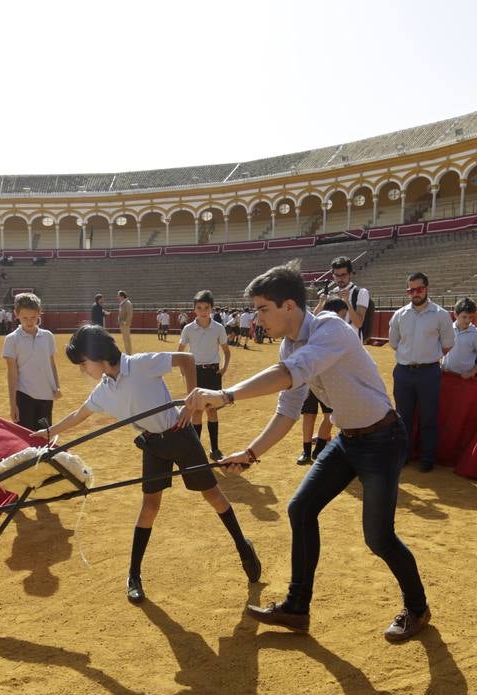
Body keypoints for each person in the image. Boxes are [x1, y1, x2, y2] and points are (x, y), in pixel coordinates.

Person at [183, 260, 431, 643]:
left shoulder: (330, 328)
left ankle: (418, 608)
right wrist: (249, 453)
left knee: (378, 538)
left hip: (383, 440)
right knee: (301, 509)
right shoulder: (288, 343)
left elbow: (290, 373)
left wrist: (225, 395)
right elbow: (287, 409)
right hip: (348, 440)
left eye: (263, 308)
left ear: (289, 307)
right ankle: (298, 608)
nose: (257, 317)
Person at [36, 324, 260, 604]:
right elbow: (78, 415)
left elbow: (186, 360)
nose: (83, 370)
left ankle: (243, 547)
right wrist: (47, 434)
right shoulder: (104, 390)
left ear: (98, 356)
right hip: (153, 444)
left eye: (83, 364)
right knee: (150, 506)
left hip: (181, 435)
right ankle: (134, 575)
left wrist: (192, 403)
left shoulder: (139, 364)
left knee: (212, 495)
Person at [389, 272, 455, 472]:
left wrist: (427, 357)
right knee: (403, 417)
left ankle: (427, 458)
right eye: (411, 290)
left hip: (429, 373)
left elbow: (447, 344)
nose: (415, 293)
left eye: (419, 289)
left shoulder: (441, 314)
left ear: (427, 288)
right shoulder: (399, 315)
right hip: (403, 372)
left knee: (428, 417)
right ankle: (405, 455)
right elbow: (393, 343)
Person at [178, 289, 230, 461]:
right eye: (199, 308)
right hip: (195, 372)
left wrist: (223, 368)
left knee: (213, 411)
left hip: (213, 372)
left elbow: (226, 351)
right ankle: (197, 450)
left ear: (211, 309)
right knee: (197, 412)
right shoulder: (188, 329)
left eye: (206, 308)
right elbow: (180, 351)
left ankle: (215, 449)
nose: (203, 311)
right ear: (194, 309)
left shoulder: (218, 328)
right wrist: (184, 372)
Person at [295, 297, 347, 465]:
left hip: (329, 380)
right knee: (309, 415)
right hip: (311, 378)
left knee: (330, 415)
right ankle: (306, 450)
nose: (343, 318)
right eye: (342, 314)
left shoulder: (340, 331)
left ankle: (320, 448)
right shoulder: (316, 326)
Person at [2, 293, 61, 431]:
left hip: (46, 396)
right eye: (25, 318)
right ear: (16, 314)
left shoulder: (47, 336)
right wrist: (13, 404)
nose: (29, 321)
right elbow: (12, 373)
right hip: (24, 395)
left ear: (40, 313)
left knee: (44, 439)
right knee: (26, 439)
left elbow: (51, 364)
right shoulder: (12, 339)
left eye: (33, 317)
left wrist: (56, 386)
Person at [327, 256, 370, 340]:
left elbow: (358, 323)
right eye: (337, 275)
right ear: (333, 276)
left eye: (343, 275)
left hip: (352, 345)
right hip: (333, 343)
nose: (340, 278)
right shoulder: (331, 293)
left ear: (350, 274)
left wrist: (347, 302)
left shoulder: (361, 292)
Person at [441, 297, 477, 379]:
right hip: (446, 376)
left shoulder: (475, 333)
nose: (468, 320)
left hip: (465, 379)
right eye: (464, 317)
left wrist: (472, 371)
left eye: (470, 317)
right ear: (455, 314)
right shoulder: (446, 329)